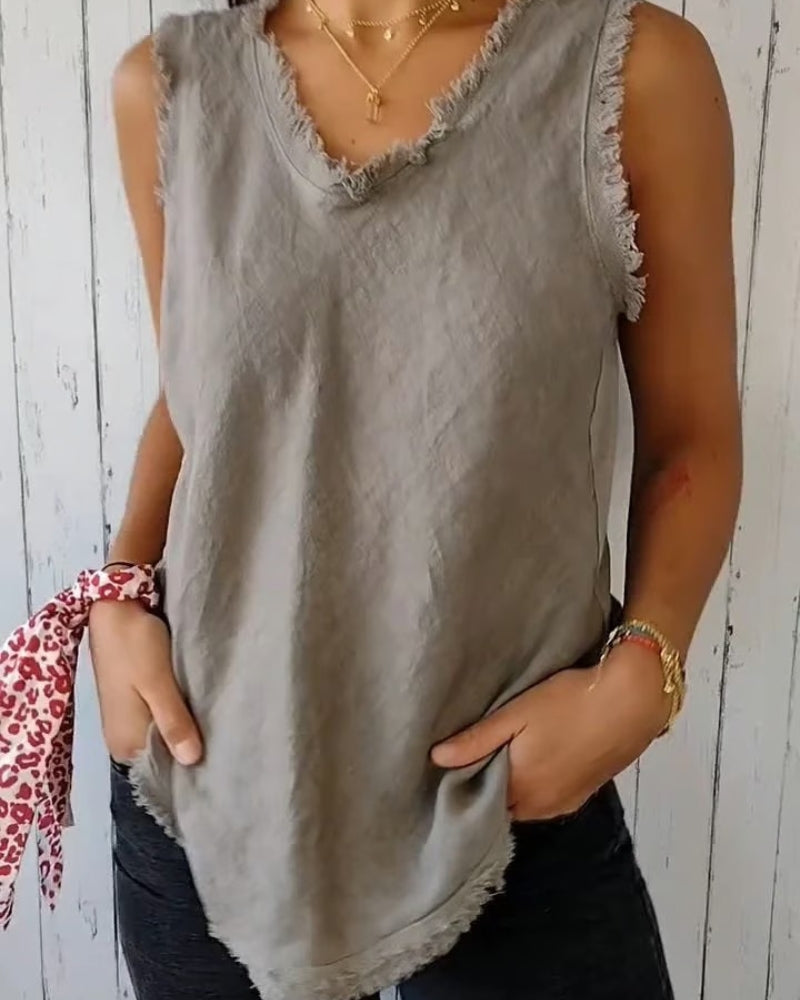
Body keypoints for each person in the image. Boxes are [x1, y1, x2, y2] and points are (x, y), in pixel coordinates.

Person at [88, 0, 741, 996]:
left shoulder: (627, 73)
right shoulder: (171, 86)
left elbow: (690, 436)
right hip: (212, 772)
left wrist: (643, 677)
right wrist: (117, 601)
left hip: (507, 798)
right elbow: (201, 400)